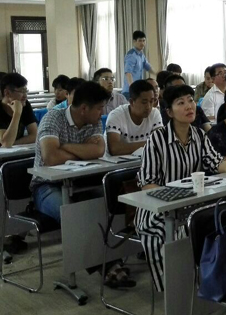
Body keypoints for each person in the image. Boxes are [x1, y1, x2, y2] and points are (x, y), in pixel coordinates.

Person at [136, 84, 226, 291]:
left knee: (223, 221)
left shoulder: (199, 135)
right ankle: (174, 291)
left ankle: (204, 283)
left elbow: (215, 162)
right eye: (181, 103)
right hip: (157, 210)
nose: (189, 106)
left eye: (190, 100)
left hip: (191, 206)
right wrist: (174, 200)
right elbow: (147, 183)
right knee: (175, 233)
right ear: (169, 112)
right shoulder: (157, 139)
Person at [30, 81, 111, 222]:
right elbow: (51, 158)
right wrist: (84, 151)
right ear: (84, 108)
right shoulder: (53, 118)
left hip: (80, 183)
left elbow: (98, 150)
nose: (102, 113)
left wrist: (64, 146)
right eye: (99, 108)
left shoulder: (93, 121)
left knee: (110, 204)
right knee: (74, 217)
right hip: (47, 186)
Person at [105, 80, 163, 156]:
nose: (148, 107)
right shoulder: (116, 116)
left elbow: (160, 142)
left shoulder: (154, 113)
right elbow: (114, 149)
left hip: (142, 160)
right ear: (132, 102)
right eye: (144, 102)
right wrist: (150, 143)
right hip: (115, 162)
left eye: (151, 101)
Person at [0, 73, 38, 147]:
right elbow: (6, 143)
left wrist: (13, 143)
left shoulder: (25, 105)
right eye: (22, 91)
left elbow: (35, 135)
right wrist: (17, 113)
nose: (25, 96)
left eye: (26, 91)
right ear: (7, 93)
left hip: (14, 151)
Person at [122, 30, 154, 98]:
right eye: (140, 41)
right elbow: (128, 73)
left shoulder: (141, 54)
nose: (142, 43)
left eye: (144, 41)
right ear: (134, 41)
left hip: (137, 90)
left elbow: (147, 67)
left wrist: (158, 73)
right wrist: (132, 88)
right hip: (129, 91)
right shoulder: (131, 55)